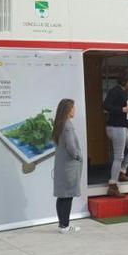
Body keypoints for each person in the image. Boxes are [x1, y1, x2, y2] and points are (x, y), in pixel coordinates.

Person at [103, 70, 128, 198]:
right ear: (126, 80)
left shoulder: (126, 93)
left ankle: (121, 171)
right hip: (115, 127)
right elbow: (106, 105)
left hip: (122, 126)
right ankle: (113, 185)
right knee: (118, 156)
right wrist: (122, 109)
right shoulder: (115, 91)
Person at [51, 99, 82, 233]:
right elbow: (71, 146)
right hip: (69, 166)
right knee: (68, 195)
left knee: (61, 195)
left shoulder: (59, 124)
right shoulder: (68, 126)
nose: (74, 110)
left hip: (61, 165)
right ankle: (65, 226)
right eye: (73, 108)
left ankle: (62, 225)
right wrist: (77, 156)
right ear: (68, 110)